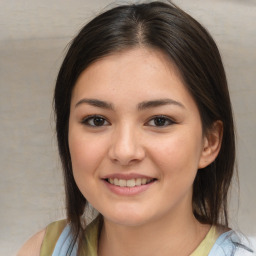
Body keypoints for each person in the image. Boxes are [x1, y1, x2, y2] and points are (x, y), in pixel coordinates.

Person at [18, 1, 255, 255]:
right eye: (97, 120)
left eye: (159, 121)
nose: (124, 150)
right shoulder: (43, 249)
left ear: (209, 142)